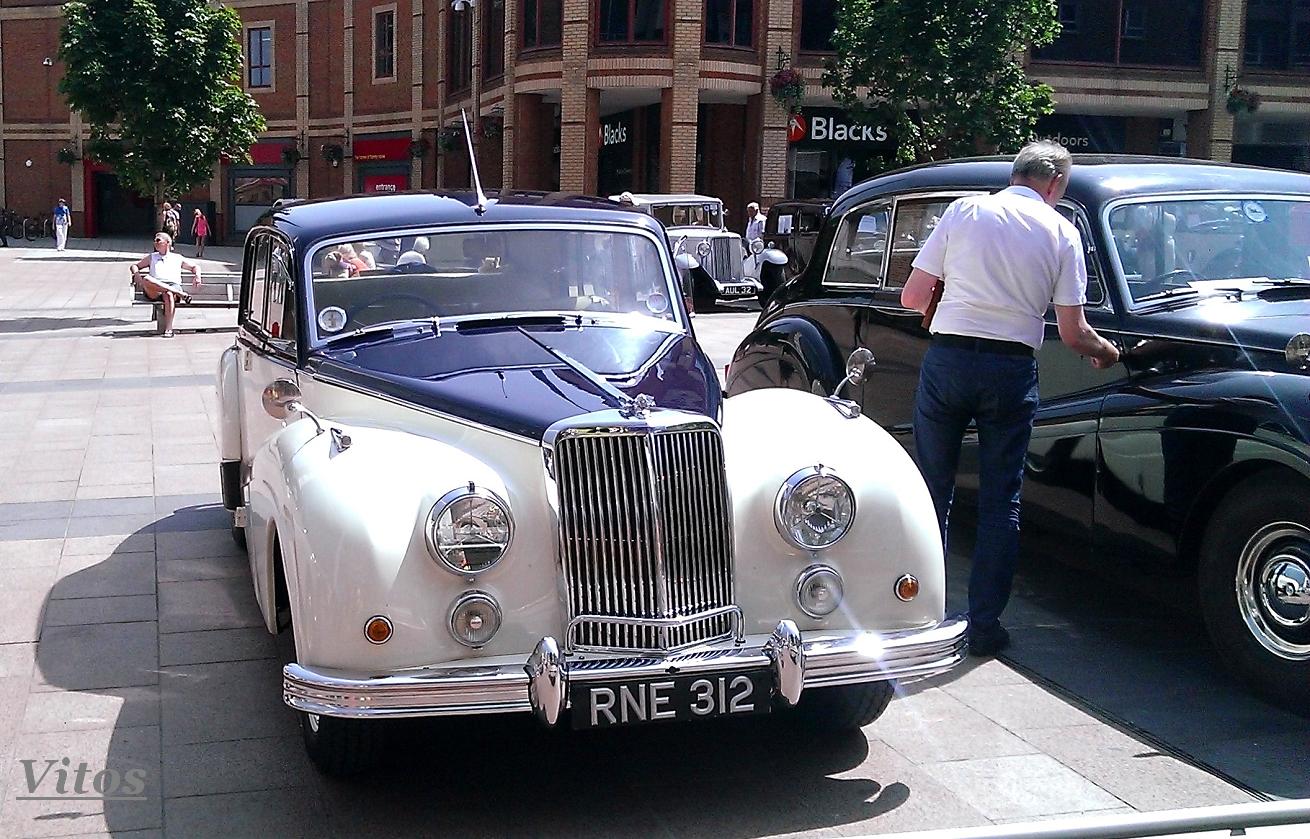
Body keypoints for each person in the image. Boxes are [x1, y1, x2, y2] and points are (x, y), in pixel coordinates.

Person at [899, 140, 1120, 657]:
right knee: (1002, 500)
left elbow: (912, 297)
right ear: (1056, 183)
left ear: (1015, 174)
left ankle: (918, 613)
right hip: (1010, 369)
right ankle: (983, 627)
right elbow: (1074, 332)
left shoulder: (964, 210)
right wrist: (1106, 352)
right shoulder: (1062, 231)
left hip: (949, 360)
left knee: (931, 489)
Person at [130, 232, 202, 338]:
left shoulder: (177, 257)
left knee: (168, 294)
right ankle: (180, 293)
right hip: (155, 289)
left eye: (158, 240)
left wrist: (197, 276)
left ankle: (169, 328)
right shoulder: (152, 257)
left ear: (167, 243)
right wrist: (136, 275)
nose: (155, 242)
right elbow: (135, 266)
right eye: (154, 240)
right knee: (147, 279)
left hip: (172, 287)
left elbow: (195, 267)